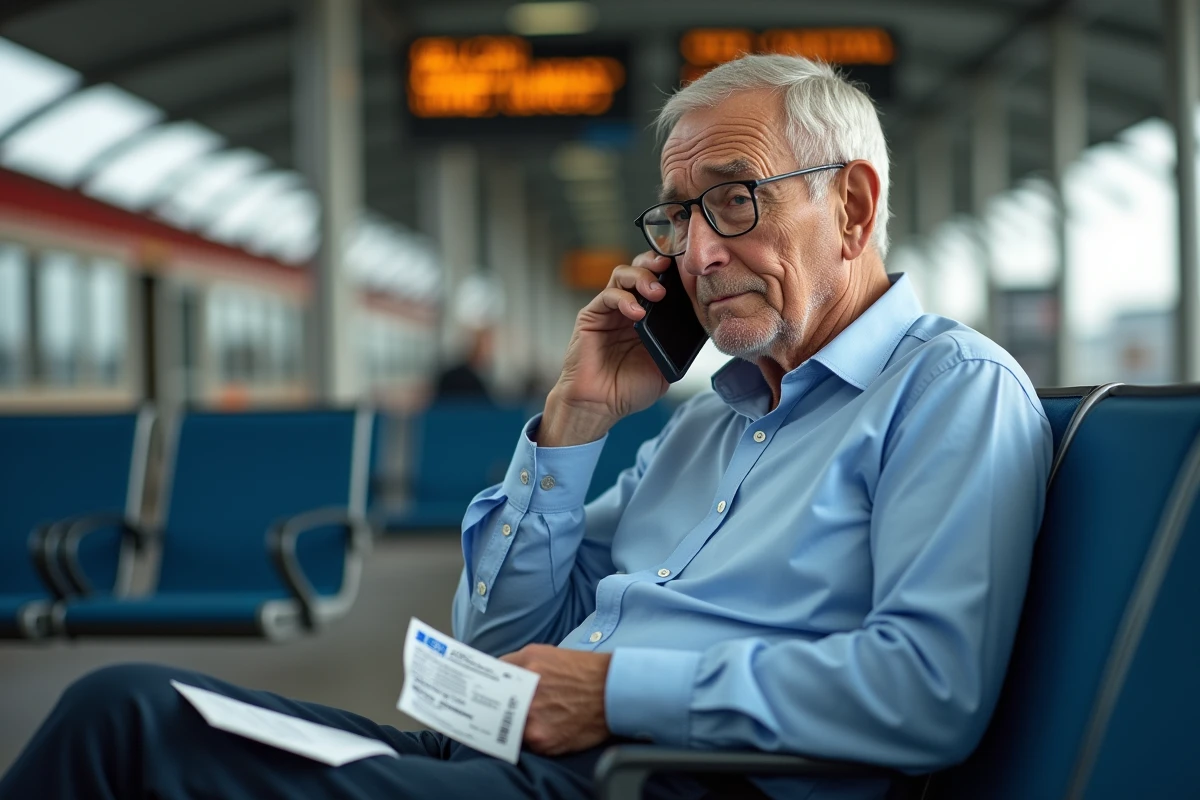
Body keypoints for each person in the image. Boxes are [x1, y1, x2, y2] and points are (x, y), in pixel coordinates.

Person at [0, 54, 1051, 800]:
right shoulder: (704, 427)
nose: (696, 253)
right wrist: (576, 418)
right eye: (678, 215)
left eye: (733, 200)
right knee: (124, 708)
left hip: (655, 779)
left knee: (130, 752)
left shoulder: (948, 392)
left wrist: (616, 690)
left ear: (854, 208)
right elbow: (497, 642)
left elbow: (929, 688)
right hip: (509, 755)